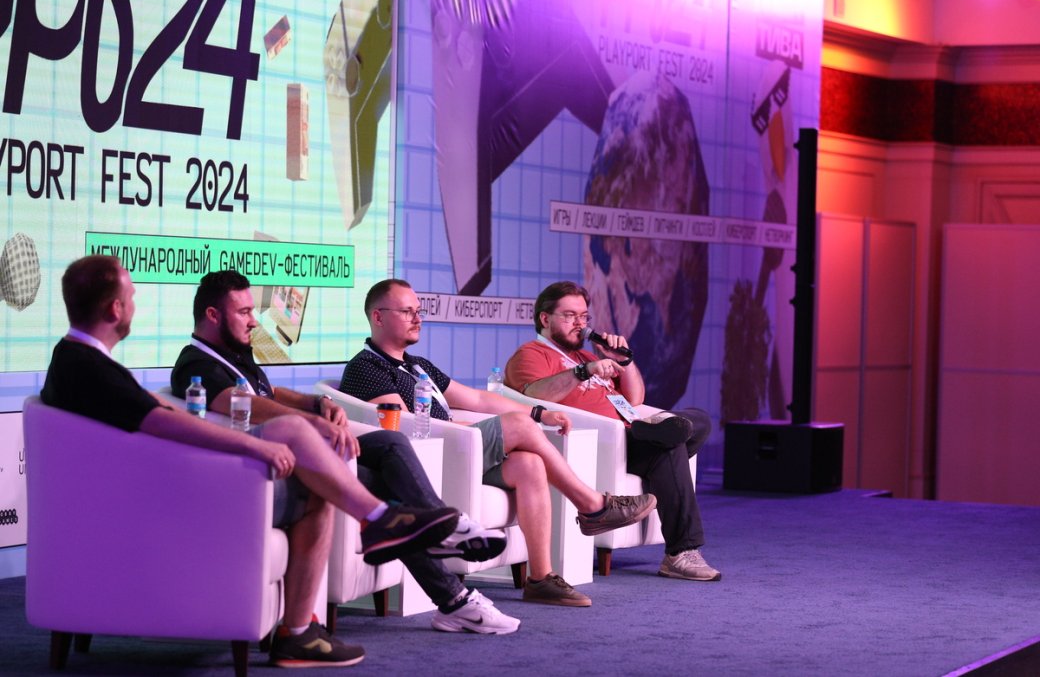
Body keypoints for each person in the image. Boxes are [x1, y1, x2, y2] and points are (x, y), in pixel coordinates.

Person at [41, 256, 462, 668]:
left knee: (337, 464)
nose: (135, 306)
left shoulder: (83, 360)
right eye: (131, 297)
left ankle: (305, 624)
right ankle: (379, 522)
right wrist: (253, 447)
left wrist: (313, 406)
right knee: (298, 440)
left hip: (158, 489)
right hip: (165, 498)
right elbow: (164, 424)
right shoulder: (87, 366)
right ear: (115, 309)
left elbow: (158, 409)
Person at [170, 270, 519, 635]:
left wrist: (316, 402)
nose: (254, 321)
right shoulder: (197, 363)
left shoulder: (234, 355)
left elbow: (268, 393)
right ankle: (453, 588)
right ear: (213, 315)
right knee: (392, 491)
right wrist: (309, 423)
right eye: (244, 312)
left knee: (391, 443)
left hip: (300, 452)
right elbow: (239, 402)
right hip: (274, 464)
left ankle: (444, 536)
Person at [340, 278, 658, 608]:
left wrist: (539, 412)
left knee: (529, 464)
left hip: (461, 450)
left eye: (419, 311)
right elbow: (406, 425)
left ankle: (541, 578)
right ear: (378, 317)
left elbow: (477, 398)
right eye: (408, 312)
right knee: (519, 426)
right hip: (429, 457)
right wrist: (469, 429)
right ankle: (592, 505)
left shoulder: (418, 365)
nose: (418, 318)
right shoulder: (367, 367)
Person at [504, 281, 721, 582]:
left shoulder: (588, 356)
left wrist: (624, 361)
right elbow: (535, 394)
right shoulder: (532, 354)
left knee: (698, 421)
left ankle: (660, 434)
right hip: (601, 445)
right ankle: (681, 553)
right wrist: (582, 373)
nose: (580, 324)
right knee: (670, 443)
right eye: (570, 316)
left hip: (633, 438)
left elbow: (635, 399)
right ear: (545, 318)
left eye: (584, 317)